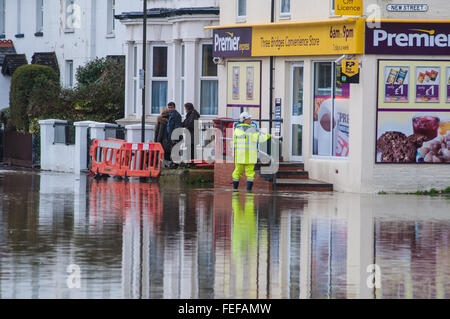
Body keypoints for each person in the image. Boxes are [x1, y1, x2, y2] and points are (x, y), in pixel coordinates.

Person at [232, 111, 270, 191]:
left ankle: (235, 189)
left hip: (239, 156)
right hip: (250, 156)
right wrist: (268, 136)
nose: (251, 120)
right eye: (249, 118)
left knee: (237, 172)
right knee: (250, 174)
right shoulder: (252, 130)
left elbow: (234, 143)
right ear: (245, 120)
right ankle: (249, 191)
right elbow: (259, 139)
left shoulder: (236, 130)